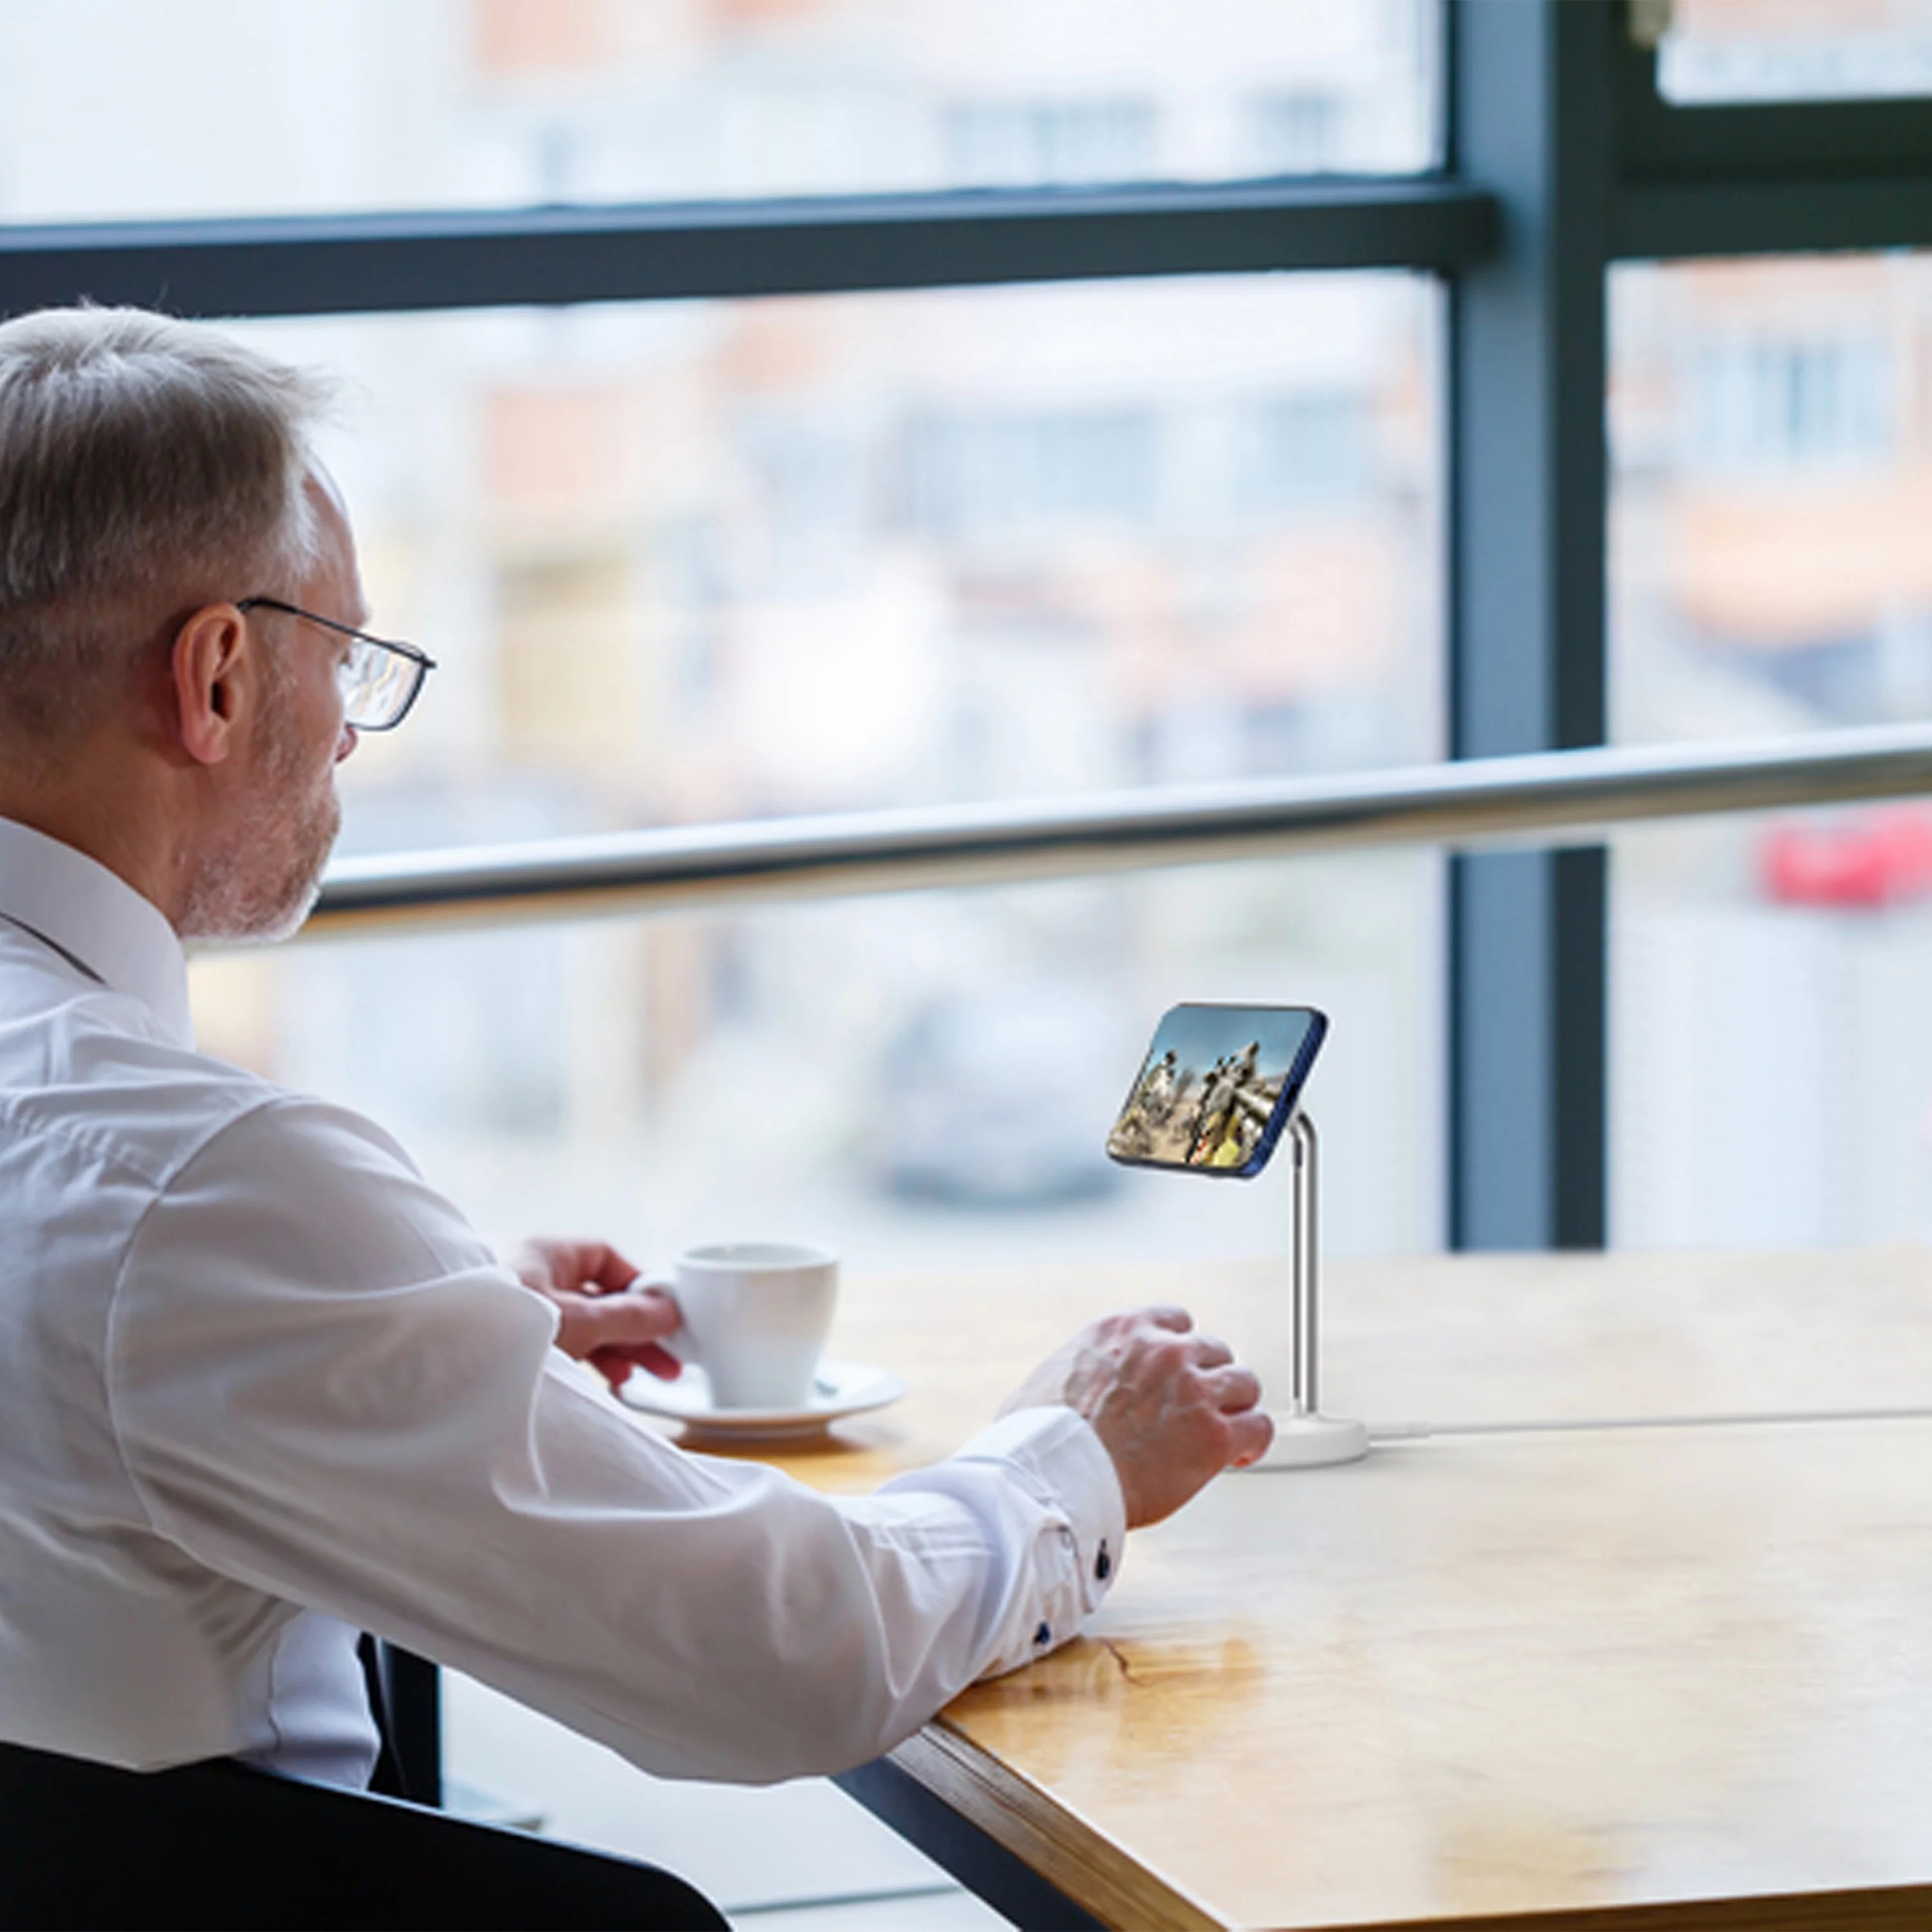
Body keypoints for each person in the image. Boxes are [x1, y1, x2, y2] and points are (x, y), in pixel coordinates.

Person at [0, 307, 1273, 1790]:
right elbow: (786, 1657)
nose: (352, 729)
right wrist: (1077, 1458)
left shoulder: (168, 1197)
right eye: (343, 652)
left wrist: (416, 1322)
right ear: (215, 677)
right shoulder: (204, 1191)